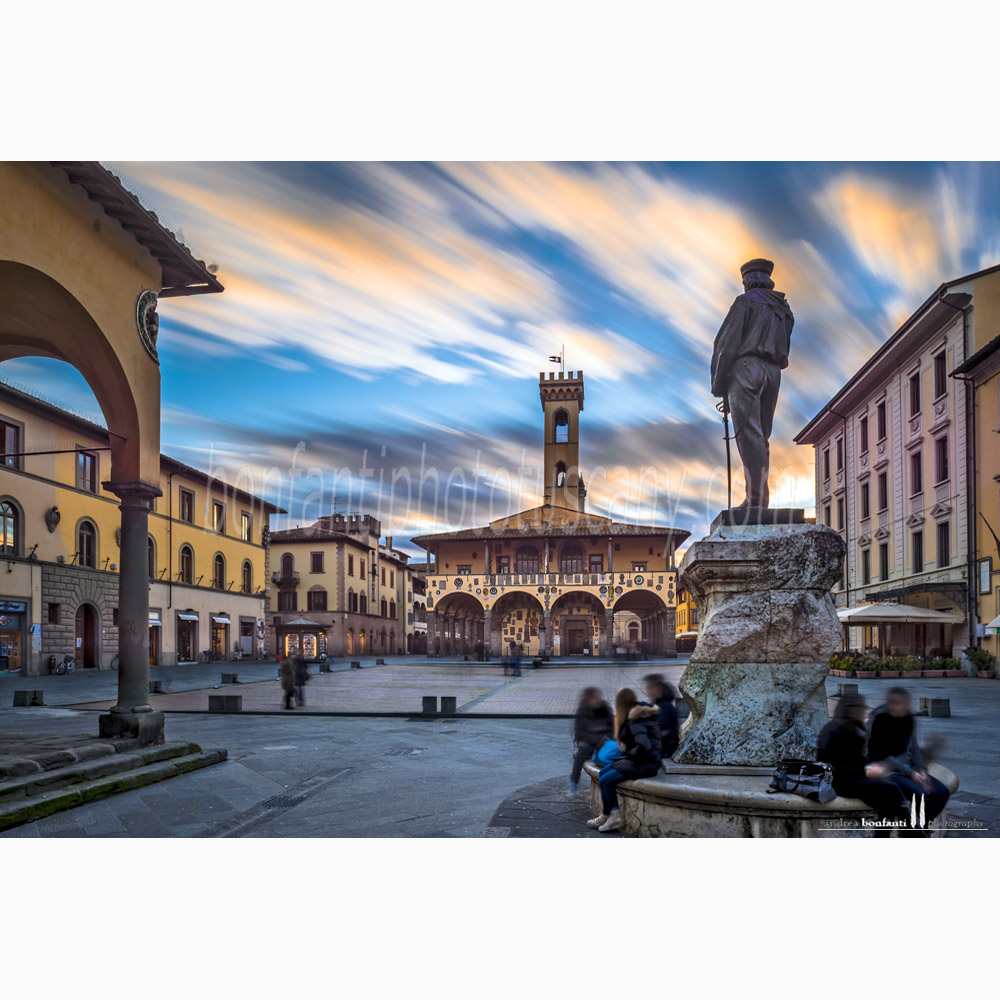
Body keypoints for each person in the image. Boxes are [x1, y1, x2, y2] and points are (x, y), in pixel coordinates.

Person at [711, 258, 795, 510]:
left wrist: (719, 384)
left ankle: (755, 501)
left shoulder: (745, 302)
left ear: (748, 280)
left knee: (750, 436)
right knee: (761, 436)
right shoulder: (784, 309)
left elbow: (725, 344)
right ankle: (759, 499)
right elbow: (785, 344)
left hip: (747, 369)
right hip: (773, 372)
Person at [816, 693, 907, 837]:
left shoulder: (857, 727)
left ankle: (888, 835)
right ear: (851, 709)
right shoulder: (833, 730)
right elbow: (831, 767)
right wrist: (866, 771)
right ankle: (912, 833)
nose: (866, 711)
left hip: (854, 778)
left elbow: (859, 759)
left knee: (889, 797)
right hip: (839, 782)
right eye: (863, 707)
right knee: (892, 790)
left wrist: (871, 767)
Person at [868, 687, 951, 835]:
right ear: (892, 704)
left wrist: (922, 771)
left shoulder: (908, 719)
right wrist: (912, 774)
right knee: (920, 794)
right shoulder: (879, 721)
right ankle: (912, 832)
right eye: (903, 703)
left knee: (942, 792)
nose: (907, 707)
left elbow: (914, 748)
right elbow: (882, 755)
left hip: (908, 769)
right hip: (887, 769)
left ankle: (916, 829)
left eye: (907, 703)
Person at [588, 687, 661, 833]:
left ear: (620, 704)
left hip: (646, 764)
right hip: (639, 760)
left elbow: (644, 746)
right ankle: (607, 814)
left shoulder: (636, 720)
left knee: (605, 780)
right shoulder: (635, 714)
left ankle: (614, 816)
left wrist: (631, 753)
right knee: (603, 773)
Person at [569, 687, 613, 796]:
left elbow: (612, 728)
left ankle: (608, 781)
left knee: (611, 749)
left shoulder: (605, 708)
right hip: (587, 740)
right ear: (588, 700)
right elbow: (580, 733)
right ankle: (573, 781)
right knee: (583, 750)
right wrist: (596, 738)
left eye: (598, 697)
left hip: (602, 739)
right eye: (594, 698)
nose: (598, 700)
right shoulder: (582, 711)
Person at [643, 673, 680, 763]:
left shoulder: (665, 707)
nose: (648, 691)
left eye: (650, 687)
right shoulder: (658, 705)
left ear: (659, 688)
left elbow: (660, 731)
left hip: (664, 750)